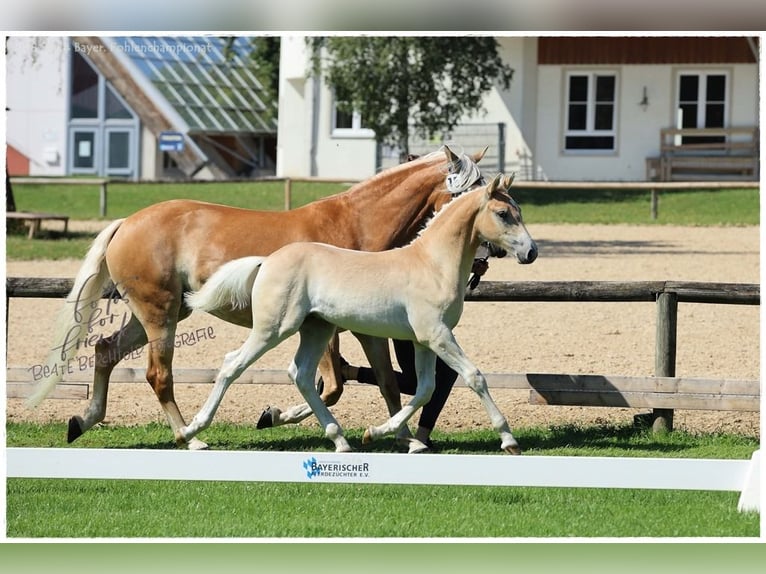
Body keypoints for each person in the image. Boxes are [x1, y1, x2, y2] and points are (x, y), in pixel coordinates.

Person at [337, 243, 499, 452]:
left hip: (427, 314)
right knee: (418, 381)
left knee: (443, 372)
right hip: (407, 312)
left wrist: (470, 267)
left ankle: (422, 435)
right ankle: (348, 372)